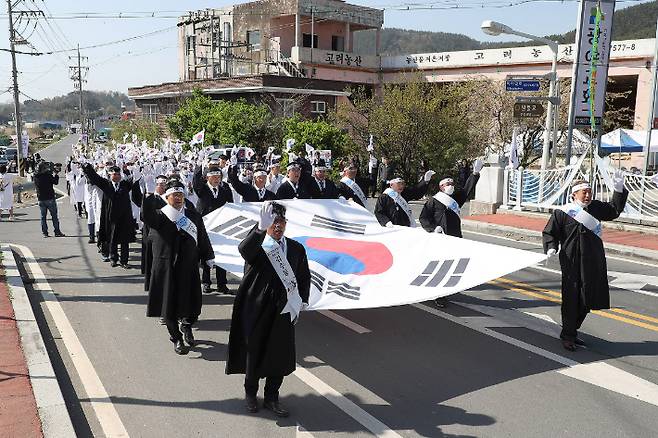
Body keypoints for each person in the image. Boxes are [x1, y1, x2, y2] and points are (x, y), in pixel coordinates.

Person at [226, 202, 310, 417]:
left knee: (279, 354)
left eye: (281, 221)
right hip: (257, 306)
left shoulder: (296, 248)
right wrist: (259, 230)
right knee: (255, 351)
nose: (278, 226)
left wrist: (303, 301)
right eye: (274, 222)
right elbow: (244, 250)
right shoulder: (259, 244)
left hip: (284, 308)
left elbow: (303, 277)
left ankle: (272, 397)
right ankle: (251, 395)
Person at [542, 176, 628, 351]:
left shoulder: (596, 208)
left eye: (589, 192)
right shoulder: (562, 212)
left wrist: (619, 191)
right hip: (571, 260)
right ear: (574, 194)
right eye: (584, 192)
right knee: (572, 297)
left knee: (588, 297)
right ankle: (568, 335)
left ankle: (572, 330)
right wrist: (551, 247)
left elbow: (614, 211)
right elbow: (550, 232)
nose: (588, 195)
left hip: (593, 259)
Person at [142, 179, 215, 355]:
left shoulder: (193, 216)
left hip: (188, 266)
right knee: (169, 307)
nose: (178, 198)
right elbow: (146, 215)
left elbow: (202, 237)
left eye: (181, 194)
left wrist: (208, 255)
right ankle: (176, 338)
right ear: (167, 197)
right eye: (175, 195)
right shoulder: (160, 215)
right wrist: (149, 197)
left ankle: (187, 326)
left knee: (192, 304)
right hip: (166, 267)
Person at [83, 164, 137, 268]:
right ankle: (113, 259)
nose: (116, 176)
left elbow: (135, 178)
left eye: (118, 174)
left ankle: (124, 261)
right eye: (114, 174)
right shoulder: (106, 184)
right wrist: (87, 168)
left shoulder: (125, 185)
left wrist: (133, 169)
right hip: (111, 218)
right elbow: (95, 177)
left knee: (124, 241)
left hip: (124, 218)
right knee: (112, 239)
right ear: (109, 175)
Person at [193, 163, 233, 294]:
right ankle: (206, 282)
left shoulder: (225, 189)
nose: (217, 179)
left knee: (222, 254)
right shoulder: (202, 189)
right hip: (205, 226)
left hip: (221, 226)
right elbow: (196, 183)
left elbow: (231, 205)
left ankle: (222, 284)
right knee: (206, 254)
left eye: (218, 176)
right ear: (208, 178)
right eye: (214, 176)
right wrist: (199, 166)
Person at [419, 159, 484, 238]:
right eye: (448, 184)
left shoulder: (456, 198)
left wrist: (474, 174)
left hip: (455, 235)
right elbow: (423, 218)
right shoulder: (434, 200)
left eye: (452, 184)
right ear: (441, 187)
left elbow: (467, 189)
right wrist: (433, 228)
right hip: (439, 235)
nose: (450, 186)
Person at [34, 161, 65, 238]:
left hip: (41, 199)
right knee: (54, 216)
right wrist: (56, 174)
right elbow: (55, 182)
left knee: (43, 217)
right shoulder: (48, 175)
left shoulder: (36, 176)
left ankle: (45, 233)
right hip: (50, 198)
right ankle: (57, 231)